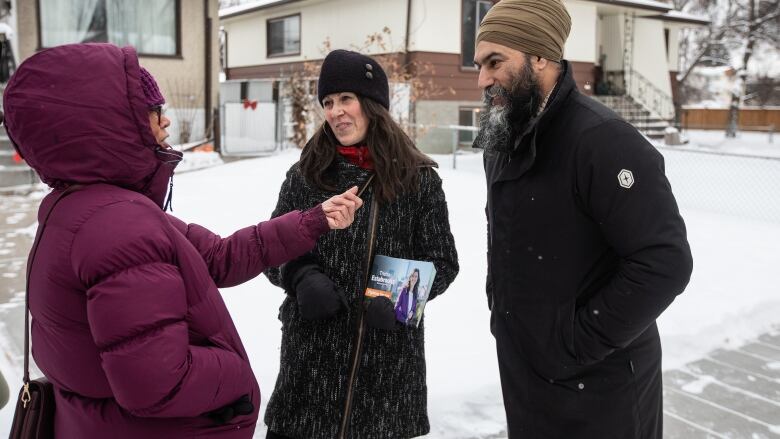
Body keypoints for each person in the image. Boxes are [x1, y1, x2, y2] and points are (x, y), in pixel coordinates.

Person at [1, 43, 362, 438]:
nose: (167, 122)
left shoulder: (85, 206)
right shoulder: (118, 228)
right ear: (117, 124)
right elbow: (156, 384)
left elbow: (220, 256)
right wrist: (237, 373)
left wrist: (312, 221)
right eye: (154, 111)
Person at [473, 1, 694, 438]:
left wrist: (573, 344)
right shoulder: (503, 136)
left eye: (495, 61)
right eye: (481, 64)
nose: (482, 79)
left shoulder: (603, 141)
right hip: (527, 376)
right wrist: (504, 313)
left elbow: (664, 262)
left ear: (540, 56)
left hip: (601, 391)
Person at [263, 49, 459, 439]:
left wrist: (400, 299)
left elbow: (443, 261)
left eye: (345, 99)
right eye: (328, 102)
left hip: (385, 372)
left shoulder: (418, 180)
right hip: (310, 367)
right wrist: (301, 276)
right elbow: (271, 249)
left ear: (372, 104)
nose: (336, 112)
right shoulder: (305, 175)